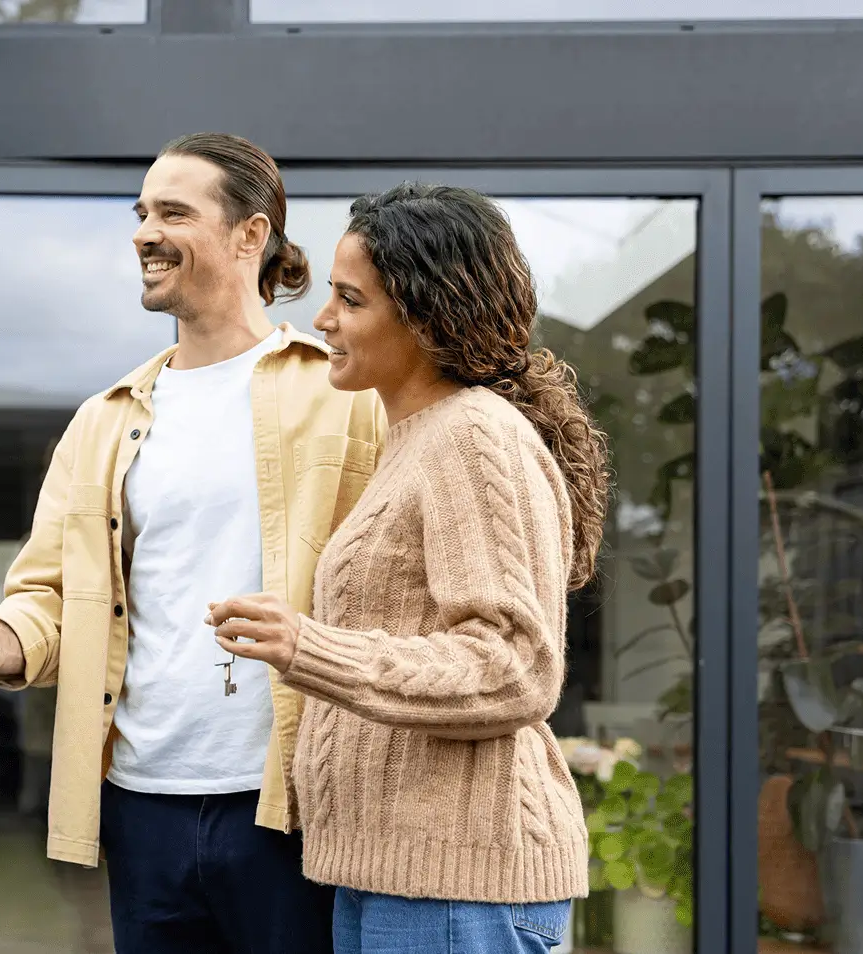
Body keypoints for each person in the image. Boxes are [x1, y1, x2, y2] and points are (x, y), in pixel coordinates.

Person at [0, 133, 387, 954]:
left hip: (294, 803)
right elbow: (48, 598)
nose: (142, 232)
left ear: (250, 235)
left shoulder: (343, 395)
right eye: (140, 212)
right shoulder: (105, 421)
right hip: (141, 805)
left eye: (172, 212)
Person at [204, 183, 610, 953]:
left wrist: (308, 648)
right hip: (400, 879)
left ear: (425, 318)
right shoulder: (418, 438)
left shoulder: (473, 438)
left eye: (350, 300)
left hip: (460, 895)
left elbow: (515, 666)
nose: (323, 318)